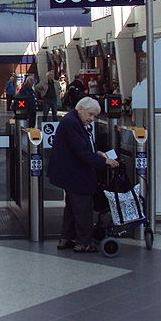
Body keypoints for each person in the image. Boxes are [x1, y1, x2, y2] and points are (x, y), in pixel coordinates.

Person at [48, 97, 119, 253]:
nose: (92, 119)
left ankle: (66, 237)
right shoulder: (72, 122)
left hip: (69, 172)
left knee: (73, 207)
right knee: (83, 208)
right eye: (90, 114)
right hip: (76, 174)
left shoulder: (72, 120)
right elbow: (81, 152)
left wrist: (97, 153)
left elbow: (82, 147)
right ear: (81, 109)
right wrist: (105, 162)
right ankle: (83, 242)